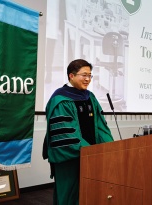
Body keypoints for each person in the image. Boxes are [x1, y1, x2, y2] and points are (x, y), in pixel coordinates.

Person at [42, 59, 114, 205]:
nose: (88, 79)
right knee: (69, 195)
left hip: (90, 156)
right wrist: (89, 151)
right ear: (71, 76)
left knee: (89, 192)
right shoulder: (60, 100)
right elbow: (66, 135)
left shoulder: (90, 97)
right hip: (69, 159)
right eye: (84, 75)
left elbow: (100, 126)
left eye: (90, 75)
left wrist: (110, 147)